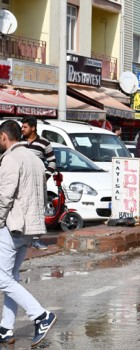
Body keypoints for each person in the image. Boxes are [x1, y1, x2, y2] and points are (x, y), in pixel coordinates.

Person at [0, 121, 57, 347]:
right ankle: (6, 328)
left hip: (12, 226)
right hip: (30, 228)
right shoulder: (35, 159)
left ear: (4, 136)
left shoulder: (10, 159)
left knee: (2, 278)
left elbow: (4, 197)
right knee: (11, 277)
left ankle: (41, 315)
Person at [19, 116, 55, 251]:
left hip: (37, 185)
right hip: (22, 183)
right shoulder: (18, 142)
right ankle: (21, 239)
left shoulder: (44, 143)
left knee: (37, 210)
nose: (22, 129)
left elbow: (52, 162)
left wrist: (45, 177)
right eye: (21, 127)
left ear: (33, 128)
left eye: (25, 127)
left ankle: (36, 240)